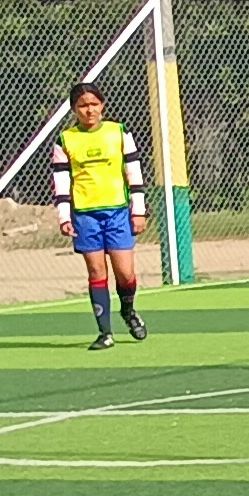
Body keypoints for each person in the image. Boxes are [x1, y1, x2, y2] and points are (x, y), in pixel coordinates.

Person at [46, 83, 149, 352]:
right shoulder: (65, 140)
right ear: (74, 109)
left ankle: (128, 310)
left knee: (125, 273)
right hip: (85, 215)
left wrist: (138, 210)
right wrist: (64, 216)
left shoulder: (119, 132)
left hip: (117, 212)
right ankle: (105, 332)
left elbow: (134, 173)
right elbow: (61, 182)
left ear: (102, 105)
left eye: (93, 104)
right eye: (82, 105)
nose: (89, 110)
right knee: (96, 271)